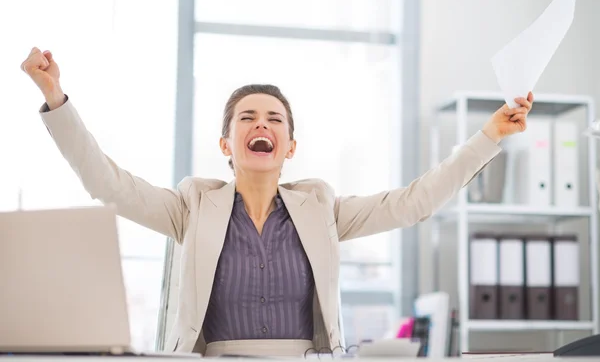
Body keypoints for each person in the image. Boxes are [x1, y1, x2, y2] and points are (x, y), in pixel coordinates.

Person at [20, 47, 533, 357]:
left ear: (290, 146)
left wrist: (488, 135)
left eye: (274, 119)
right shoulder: (192, 205)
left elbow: (415, 202)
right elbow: (109, 183)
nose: (260, 124)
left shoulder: (322, 209)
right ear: (227, 144)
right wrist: (55, 96)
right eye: (246, 118)